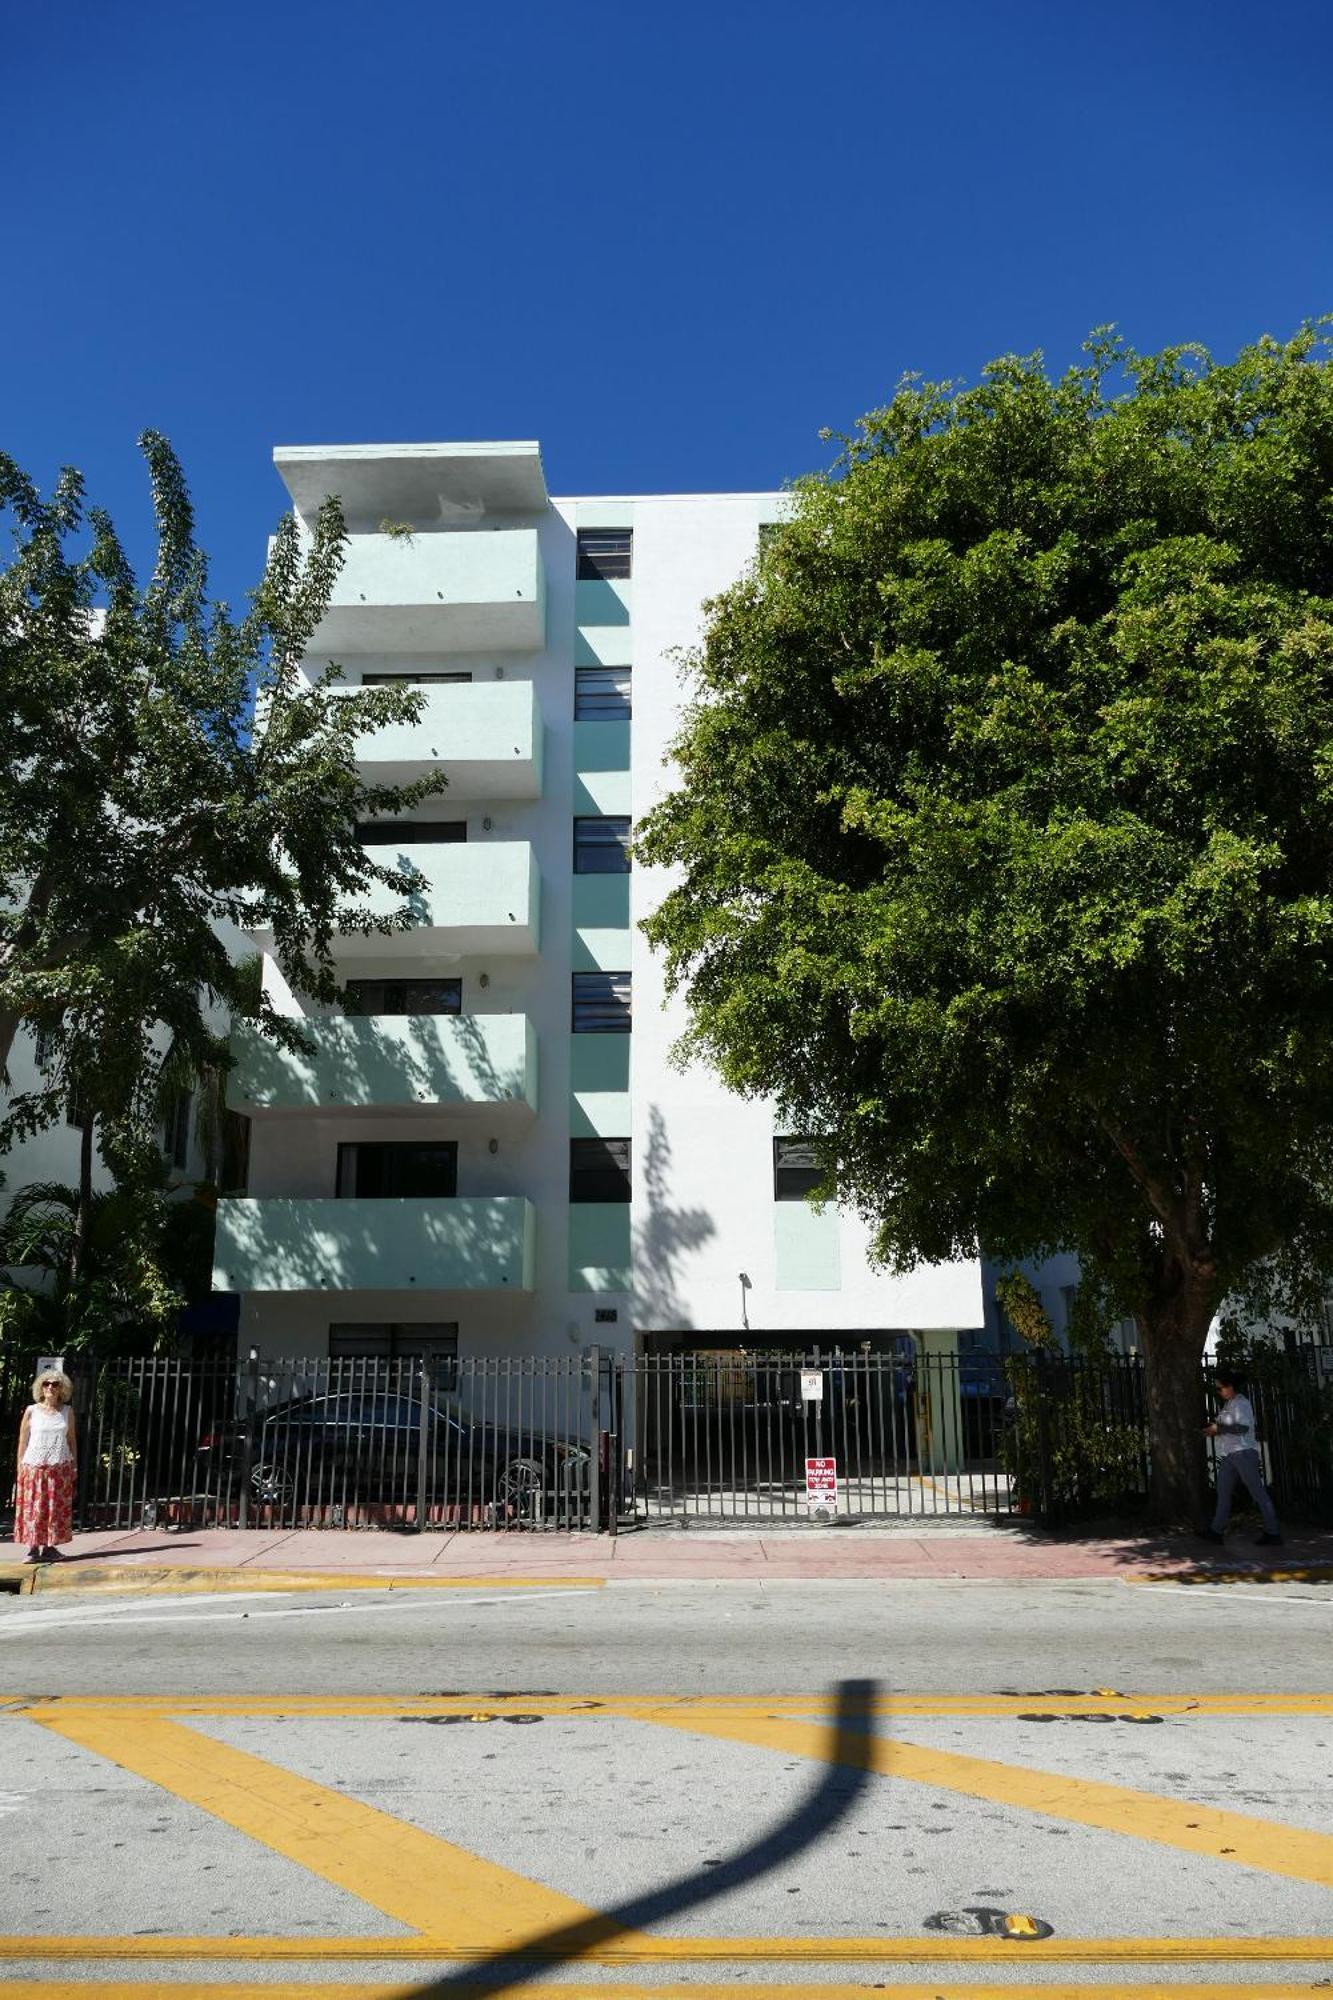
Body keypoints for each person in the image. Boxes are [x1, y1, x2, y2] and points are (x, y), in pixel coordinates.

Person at [1199, 1367, 1282, 1546]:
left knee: (1257, 1492)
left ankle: (1273, 1532)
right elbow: (1228, 1427)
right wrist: (1214, 1429)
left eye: (1221, 1388)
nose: (1219, 1391)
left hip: (1243, 1452)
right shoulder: (1230, 1404)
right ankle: (1216, 1531)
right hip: (1230, 1454)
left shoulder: (1241, 1403)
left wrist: (1218, 1429)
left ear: (1230, 1387)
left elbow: (1243, 1428)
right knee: (1223, 1491)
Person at [13, 1370, 77, 1563]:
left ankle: (49, 1548)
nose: (50, 1387)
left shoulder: (67, 1412)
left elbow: (72, 1440)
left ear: (61, 1389)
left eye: (55, 1384)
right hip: (33, 1467)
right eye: (46, 1384)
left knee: (54, 1510)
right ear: (40, 1387)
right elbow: (22, 1441)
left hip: (60, 1468)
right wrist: (19, 1467)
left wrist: (75, 1466)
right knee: (34, 1509)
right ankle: (32, 1548)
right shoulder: (31, 1410)